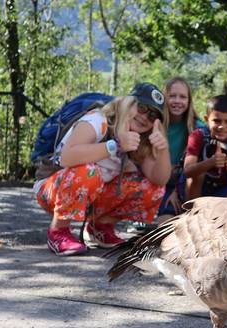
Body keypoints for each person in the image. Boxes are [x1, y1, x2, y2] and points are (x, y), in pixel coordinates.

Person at [34, 82, 171, 256]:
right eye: (142, 108)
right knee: (89, 171)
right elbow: (68, 156)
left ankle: (99, 227)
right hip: (52, 188)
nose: (145, 117)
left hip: (91, 195)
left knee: (151, 188)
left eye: (153, 116)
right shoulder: (98, 119)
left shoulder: (139, 139)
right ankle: (58, 231)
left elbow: (159, 180)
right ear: (128, 102)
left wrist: (163, 148)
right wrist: (115, 145)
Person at [156, 77, 205, 225]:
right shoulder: (155, 124)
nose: (177, 101)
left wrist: (177, 190)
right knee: (165, 221)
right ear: (164, 98)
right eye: (172, 96)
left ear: (189, 101)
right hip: (158, 182)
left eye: (183, 97)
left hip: (184, 183)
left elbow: (197, 167)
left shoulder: (198, 128)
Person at [184, 95, 227, 200]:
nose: (222, 126)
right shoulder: (197, 136)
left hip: (221, 189)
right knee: (198, 176)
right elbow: (187, 171)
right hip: (196, 189)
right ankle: (192, 211)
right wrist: (211, 162)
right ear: (207, 119)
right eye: (217, 121)